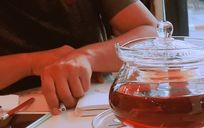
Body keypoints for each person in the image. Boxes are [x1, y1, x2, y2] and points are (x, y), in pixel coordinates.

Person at [0, 0, 158, 114]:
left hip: (91, 104)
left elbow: (154, 35)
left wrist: (87, 57)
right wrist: (32, 63)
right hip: (14, 114)